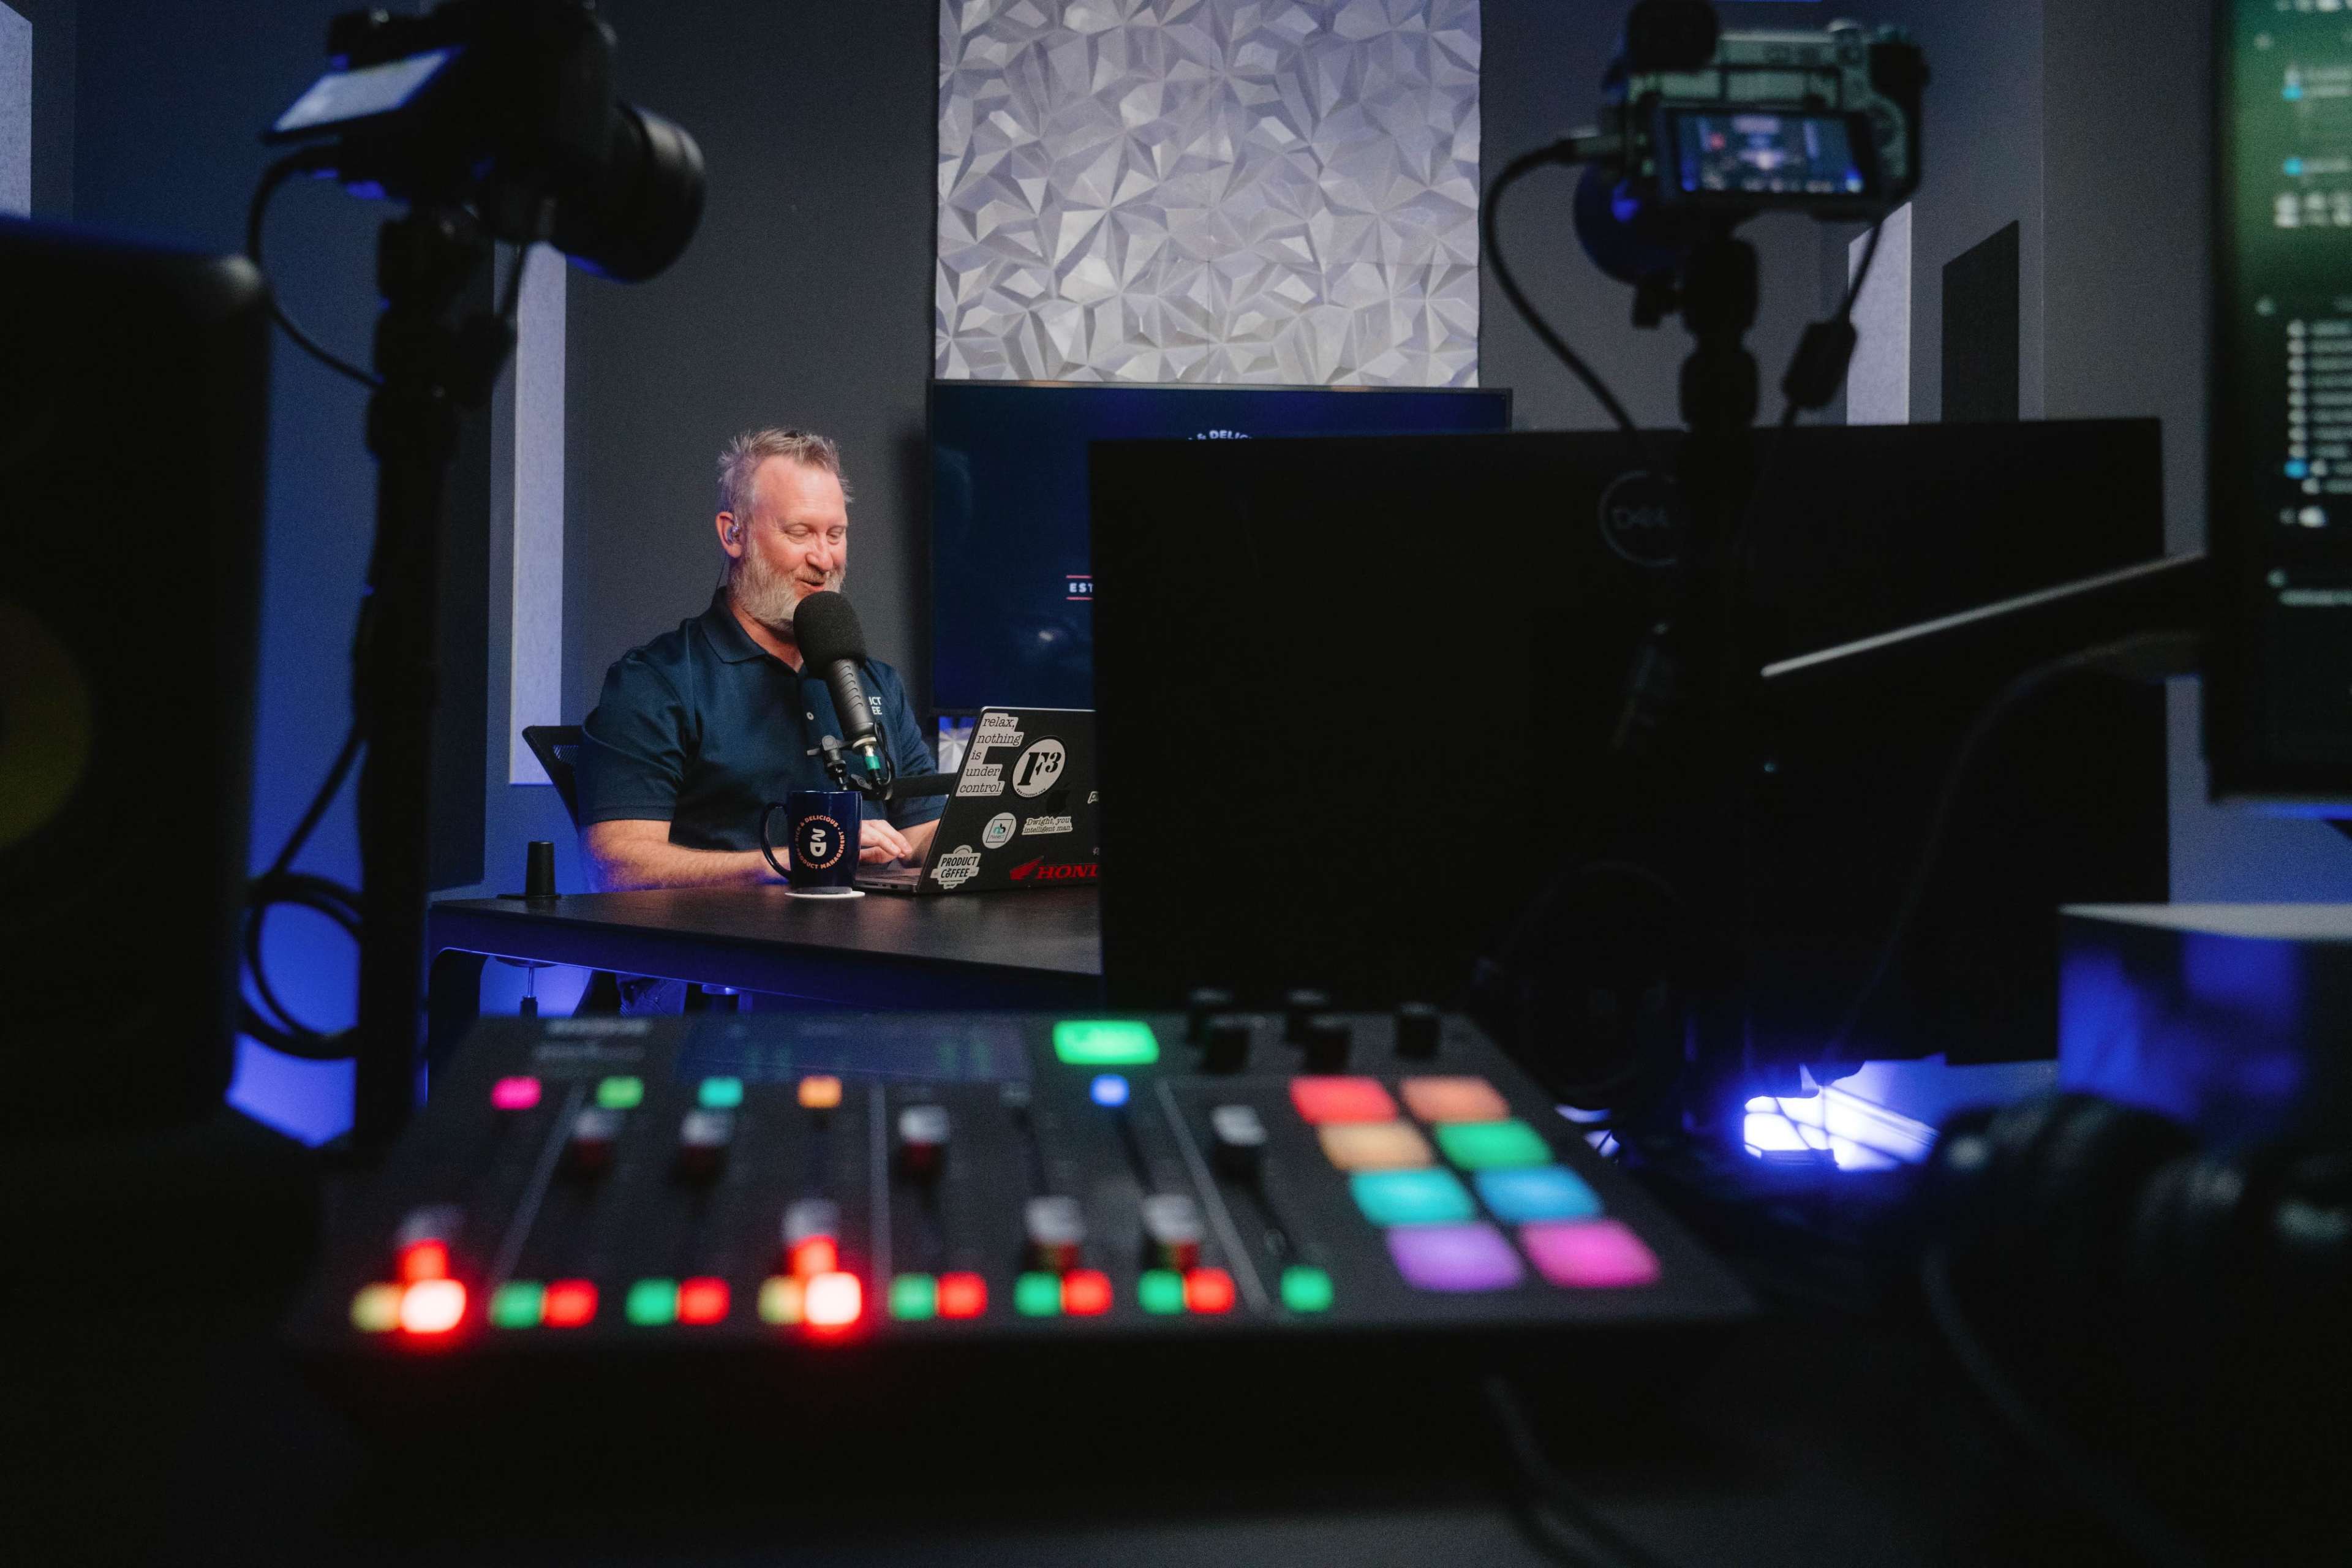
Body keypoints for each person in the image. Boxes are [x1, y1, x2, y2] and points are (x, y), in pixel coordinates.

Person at [575, 428, 943, 890]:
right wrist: (800, 859)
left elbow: (923, 831)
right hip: (729, 935)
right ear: (734, 534)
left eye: (835, 534)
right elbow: (616, 866)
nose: (824, 559)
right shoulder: (657, 682)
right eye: (800, 532)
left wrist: (992, 840)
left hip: (871, 934)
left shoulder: (877, 683)